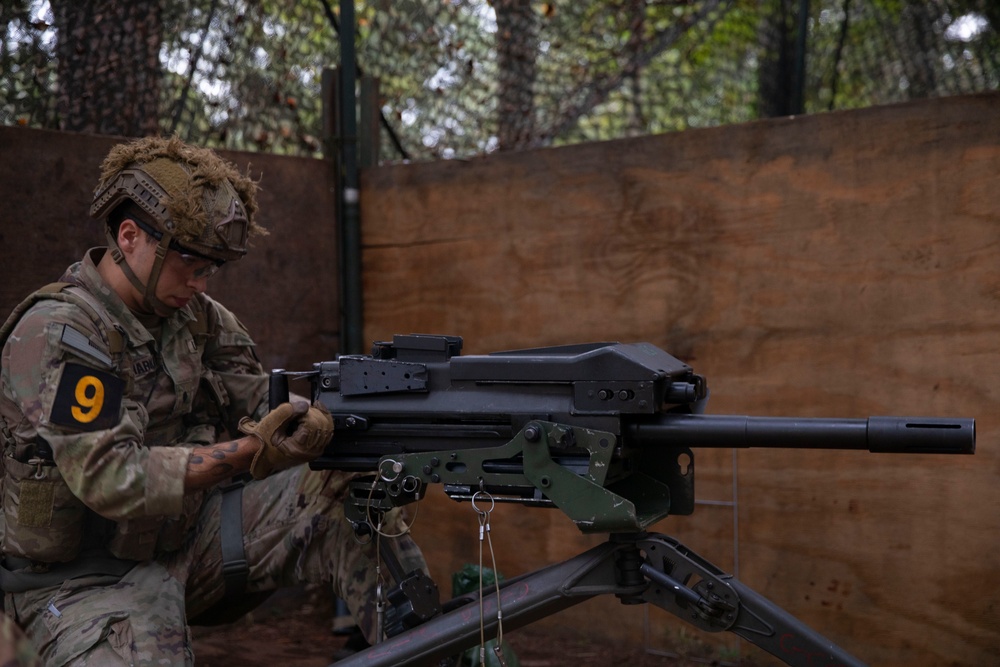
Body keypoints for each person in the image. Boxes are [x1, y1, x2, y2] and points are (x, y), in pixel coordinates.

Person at [0, 136, 426, 664]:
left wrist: (312, 418)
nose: (201, 282)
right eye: (189, 263)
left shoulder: (198, 319)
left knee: (348, 495)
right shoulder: (63, 334)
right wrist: (252, 452)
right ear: (129, 236)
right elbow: (111, 476)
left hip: (185, 543)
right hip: (80, 579)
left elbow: (256, 401)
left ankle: (423, 642)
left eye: (212, 268)